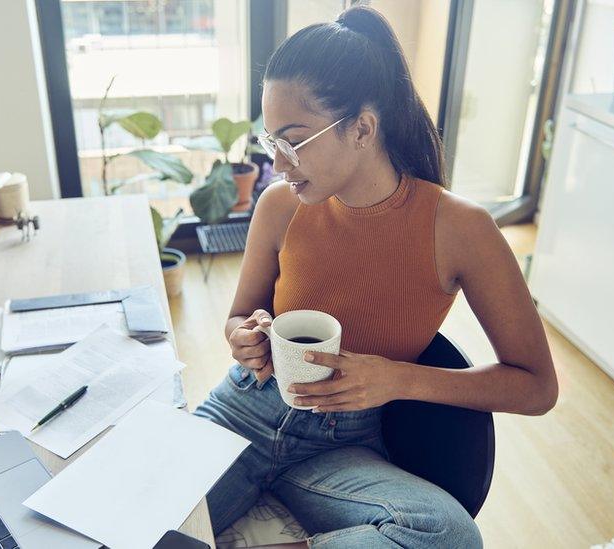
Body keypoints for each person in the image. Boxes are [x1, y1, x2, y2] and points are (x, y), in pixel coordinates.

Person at [193, 6, 558, 548]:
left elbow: (537, 387)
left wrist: (398, 379)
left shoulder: (460, 229)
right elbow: (236, 318)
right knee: (125, 521)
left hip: (340, 447)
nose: (279, 164)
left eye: (293, 140)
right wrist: (242, 338)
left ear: (362, 128)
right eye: (271, 143)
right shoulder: (278, 207)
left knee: (449, 535)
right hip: (243, 410)